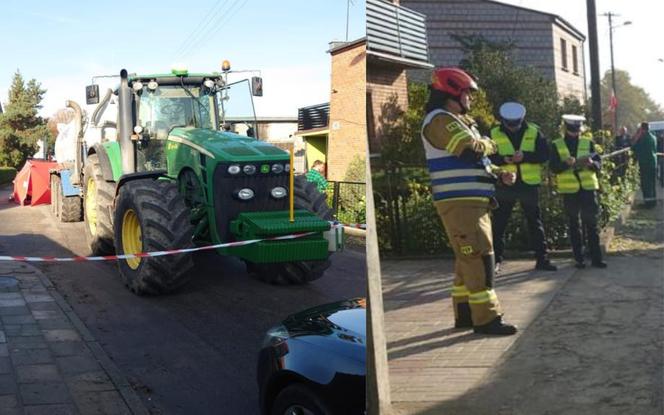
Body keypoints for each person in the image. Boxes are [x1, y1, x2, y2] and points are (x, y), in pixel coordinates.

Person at [421, 67, 517, 335]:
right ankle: (487, 319)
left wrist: (499, 175)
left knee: (467, 260)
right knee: (479, 258)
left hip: (471, 202)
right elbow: (468, 150)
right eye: (467, 94)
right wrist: (491, 144)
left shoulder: (459, 122)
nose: (471, 100)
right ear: (453, 93)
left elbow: (478, 162)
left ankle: (465, 314)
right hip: (460, 203)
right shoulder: (440, 120)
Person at [489, 102, 557, 273]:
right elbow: (487, 158)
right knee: (499, 223)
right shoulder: (493, 133)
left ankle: (542, 259)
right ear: (503, 121)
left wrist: (525, 157)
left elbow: (544, 154)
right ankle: (495, 261)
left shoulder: (534, 131)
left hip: (528, 184)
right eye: (509, 125)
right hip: (505, 183)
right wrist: (503, 160)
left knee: (535, 223)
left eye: (516, 124)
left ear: (522, 120)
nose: (513, 128)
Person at [550, 115, 607, 269]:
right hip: (569, 190)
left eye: (577, 130)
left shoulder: (588, 142)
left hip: (588, 188)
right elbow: (554, 167)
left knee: (591, 223)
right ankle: (579, 259)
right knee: (574, 225)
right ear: (566, 129)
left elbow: (598, 163)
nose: (575, 133)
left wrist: (591, 164)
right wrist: (565, 164)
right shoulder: (557, 144)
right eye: (572, 130)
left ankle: (596, 258)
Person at [631, 122, 658, 207]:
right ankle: (653, 202)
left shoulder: (644, 138)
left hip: (645, 164)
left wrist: (637, 137)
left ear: (642, 129)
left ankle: (648, 203)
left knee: (646, 184)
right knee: (652, 183)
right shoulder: (653, 137)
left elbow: (634, 147)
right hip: (653, 163)